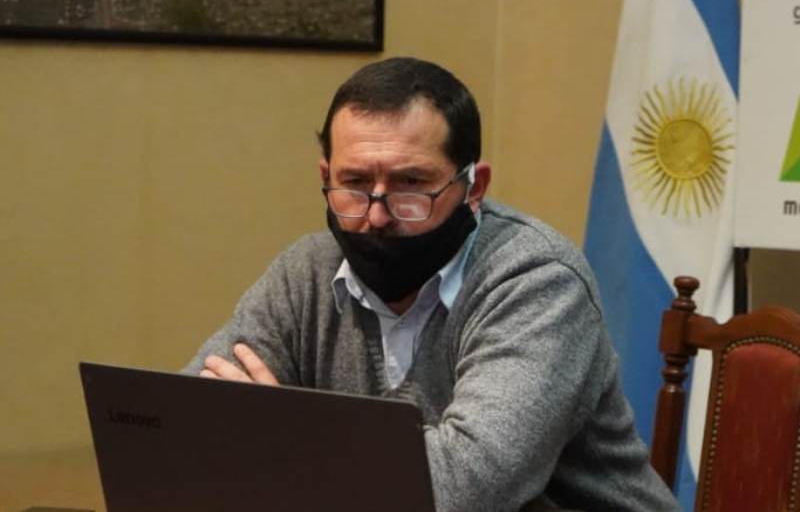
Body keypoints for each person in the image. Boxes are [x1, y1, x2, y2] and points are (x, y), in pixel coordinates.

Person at [184, 57, 679, 511]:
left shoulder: (538, 281)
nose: (377, 215)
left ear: (473, 187)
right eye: (354, 183)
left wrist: (288, 443)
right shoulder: (305, 274)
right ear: (326, 174)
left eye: (411, 184)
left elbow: (466, 487)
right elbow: (183, 428)